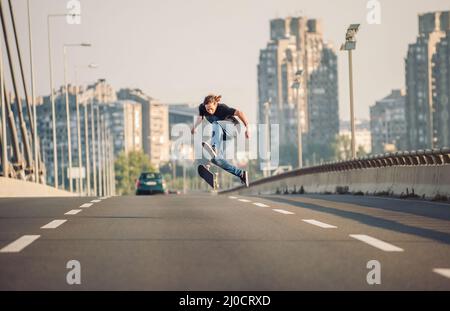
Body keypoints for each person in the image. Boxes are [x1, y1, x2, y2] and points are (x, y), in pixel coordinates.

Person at [191, 94, 249, 187]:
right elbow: (200, 117)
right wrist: (194, 127)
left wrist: (247, 128)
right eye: (207, 109)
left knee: (215, 123)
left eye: (211, 109)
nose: (209, 111)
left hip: (233, 128)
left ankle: (214, 147)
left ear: (215, 104)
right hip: (224, 134)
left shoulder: (223, 108)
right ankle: (241, 174)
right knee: (217, 160)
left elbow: (240, 113)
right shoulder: (202, 107)